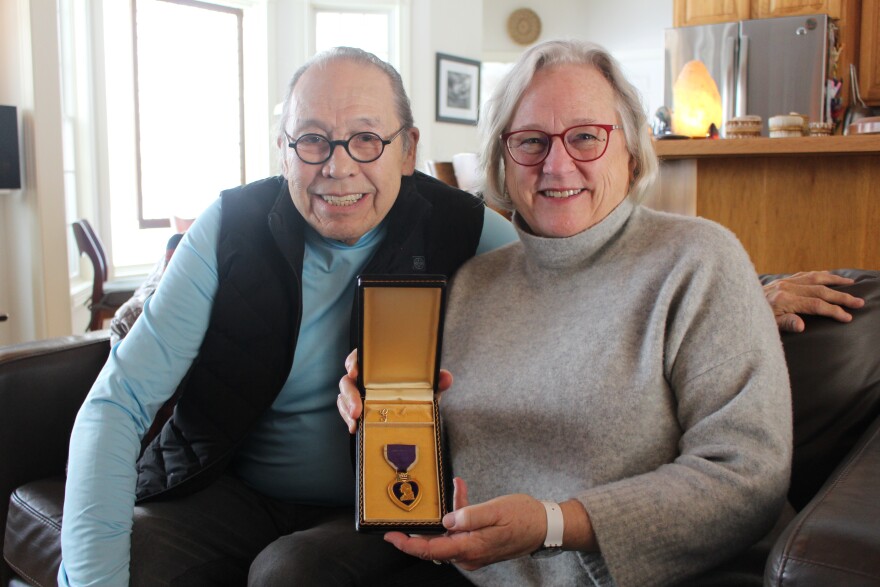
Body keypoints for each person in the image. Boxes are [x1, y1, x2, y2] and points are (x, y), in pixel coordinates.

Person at [336, 40, 822, 587]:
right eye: (531, 141)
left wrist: (554, 523)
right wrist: (381, 402)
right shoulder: (474, 282)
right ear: (503, 157)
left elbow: (746, 477)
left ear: (632, 152)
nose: (557, 163)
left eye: (586, 137)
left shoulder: (699, 259)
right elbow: (436, 449)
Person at [57, 47, 517, 587]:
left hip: (390, 503)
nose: (337, 166)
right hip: (235, 490)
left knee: (289, 575)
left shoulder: (468, 229)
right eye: (312, 139)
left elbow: (559, 338)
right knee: (141, 563)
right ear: (283, 151)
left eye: (367, 139)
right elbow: (119, 402)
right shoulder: (230, 224)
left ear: (407, 149)